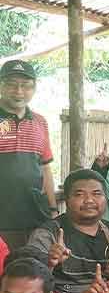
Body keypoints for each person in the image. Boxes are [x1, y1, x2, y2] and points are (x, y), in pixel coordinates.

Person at [28, 169, 109, 293]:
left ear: (106, 199)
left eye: (96, 194)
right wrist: (49, 263)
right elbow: (27, 283)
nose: (89, 200)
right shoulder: (47, 234)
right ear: (66, 200)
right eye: (80, 194)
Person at [0, 60, 57, 250]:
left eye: (25, 86)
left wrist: (53, 209)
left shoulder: (40, 122)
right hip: (2, 214)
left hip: (33, 215)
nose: (18, 91)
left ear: (34, 89)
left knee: (32, 268)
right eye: (11, 84)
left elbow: (45, 168)